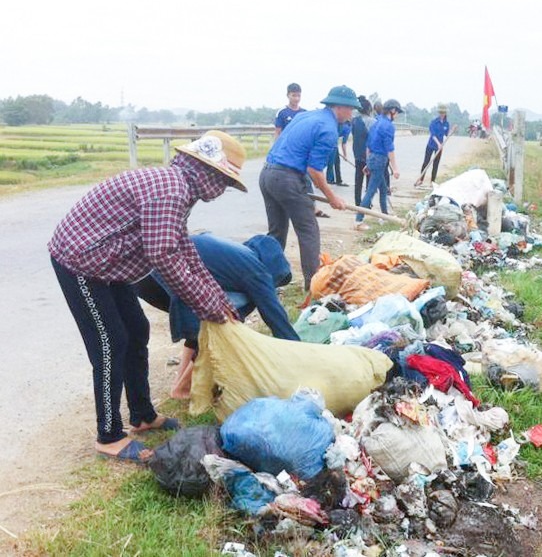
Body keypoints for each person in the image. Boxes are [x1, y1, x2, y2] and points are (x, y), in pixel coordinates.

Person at [48, 131, 247, 463]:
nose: (223, 189)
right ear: (208, 171)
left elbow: (184, 249)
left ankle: (142, 415)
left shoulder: (181, 188)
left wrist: (217, 299)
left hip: (107, 264)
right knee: (111, 343)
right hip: (79, 261)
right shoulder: (171, 189)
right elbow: (164, 256)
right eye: (225, 181)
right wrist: (207, 307)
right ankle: (109, 437)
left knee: (136, 330)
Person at [134, 233, 301, 399]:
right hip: (164, 273)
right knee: (219, 328)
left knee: (206, 322)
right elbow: (278, 322)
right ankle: (183, 387)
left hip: (143, 273)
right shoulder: (258, 271)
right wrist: (301, 355)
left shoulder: (236, 254)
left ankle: (179, 387)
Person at [260, 85, 359, 291]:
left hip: (268, 174)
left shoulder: (307, 116)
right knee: (308, 230)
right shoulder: (328, 129)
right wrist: (332, 198)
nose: (352, 114)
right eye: (351, 109)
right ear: (340, 107)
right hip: (286, 178)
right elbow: (314, 170)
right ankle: (313, 286)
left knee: (276, 233)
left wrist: (309, 193)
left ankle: (267, 283)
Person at [355, 98, 402, 230]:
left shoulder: (376, 123)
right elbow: (390, 149)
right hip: (380, 160)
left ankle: (384, 216)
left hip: (373, 159)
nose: (397, 115)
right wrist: (395, 168)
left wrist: (368, 163)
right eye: (397, 112)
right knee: (370, 192)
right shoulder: (388, 126)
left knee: (383, 189)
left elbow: (369, 145)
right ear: (392, 111)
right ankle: (358, 221)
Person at [416, 103, 451, 186]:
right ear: (439, 113)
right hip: (431, 145)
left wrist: (449, 135)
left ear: (445, 113)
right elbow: (433, 135)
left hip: (439, 148)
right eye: (440, 113)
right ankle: (421, 179)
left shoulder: (446, 124)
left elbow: (446, 134)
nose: (442, 114)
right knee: (426, 162)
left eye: (443, 113)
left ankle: (432, 181)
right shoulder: (434, 122)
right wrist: (438, 143)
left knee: (436, 164)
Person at [350, 96, 375, 206]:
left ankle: (357, 202)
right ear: (369, 109)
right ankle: (367, 203)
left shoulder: (354, 121)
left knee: (358, 180)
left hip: (357, 153)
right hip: (368, 155)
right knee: (369, 180)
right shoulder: (372, 122)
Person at [326, 120, 351, 187]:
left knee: (336, 162)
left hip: (332, 143)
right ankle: (329, 179)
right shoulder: (348, 128)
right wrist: (345, 155)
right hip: (332, 145)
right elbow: (344, 143)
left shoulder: (339, 123)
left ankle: (338, 180)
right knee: (331, 163)